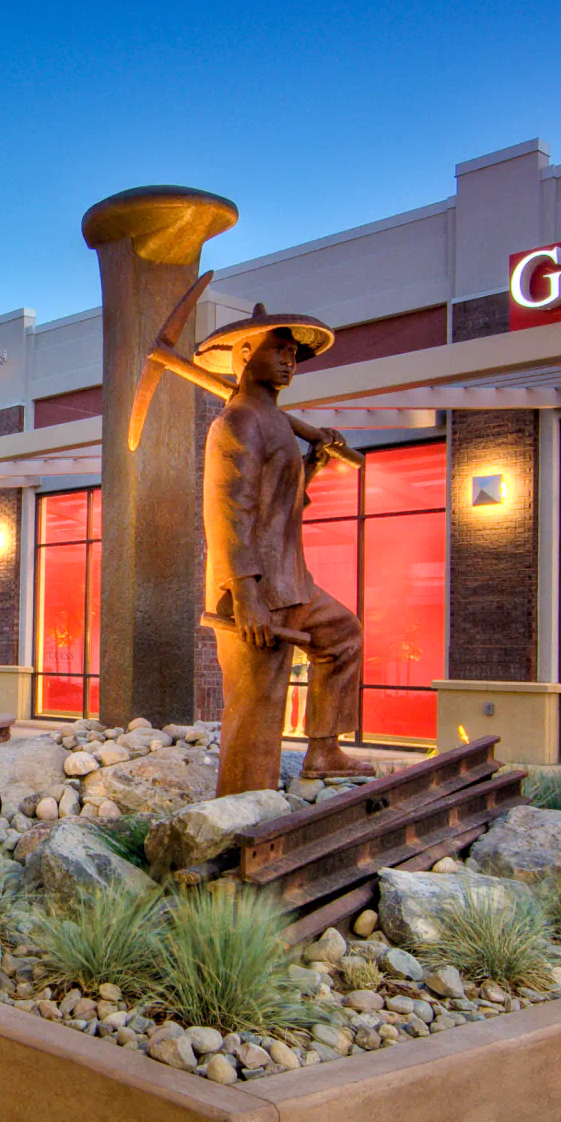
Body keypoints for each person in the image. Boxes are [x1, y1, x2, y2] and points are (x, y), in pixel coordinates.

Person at [198, 303, 375, 795]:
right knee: (257, 702)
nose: (289, 360)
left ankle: (322, 750)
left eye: (294, 353)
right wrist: (247, 593)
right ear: (246, 354)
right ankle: (242, 804)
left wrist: (313, 462)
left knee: (343, 637)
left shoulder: (274, 421)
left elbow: (282, 504)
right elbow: (228, 512)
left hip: (292, 582)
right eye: (279, 349)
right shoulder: (235, 423)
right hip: (254, 591)